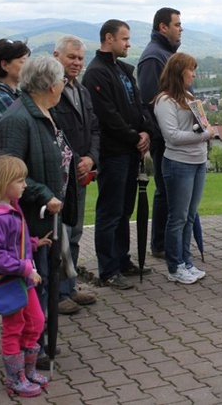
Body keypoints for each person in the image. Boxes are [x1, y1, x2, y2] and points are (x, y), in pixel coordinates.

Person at [0, 56, 79, 364]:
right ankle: (33, 347)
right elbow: (7, 169)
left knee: (45, 281)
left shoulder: (43, 112)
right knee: (36, 284)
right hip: (32, 218)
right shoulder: (18, 119)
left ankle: (37, 342)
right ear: (50, 85)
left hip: (47, 216)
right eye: (61, 82)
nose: (63, 87)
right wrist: (43, 195)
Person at [82, 19, 154, 290]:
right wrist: (134, 136)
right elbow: (107, 116)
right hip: (114, 153)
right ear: (109, 38)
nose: (128, 43)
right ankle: (108, 269)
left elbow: (138, 104)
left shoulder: (122, 70)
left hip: (130, 151)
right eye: (124, 39)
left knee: (125, 210)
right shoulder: (96, 73)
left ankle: (122, 260)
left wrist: (145, 130)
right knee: (110, 211)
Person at [0, 155, 51, 397]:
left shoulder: (11, 209)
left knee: (36, 321)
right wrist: (26, 268)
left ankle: (27, 369)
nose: (25, 185)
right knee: (14, 327)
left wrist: (33, 243)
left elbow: (13, 243)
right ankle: (14, 377)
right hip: (8, 282)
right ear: (2, 183)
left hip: (21, 279)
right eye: (19, 180)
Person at [153, 52, 214, 284]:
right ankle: (174, 265)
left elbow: (197, 127)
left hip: (198, 162)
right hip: (179, 163)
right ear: (180, 72)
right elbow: (172, 136)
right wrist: (204, 133)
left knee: (189, 216)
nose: (194, 74)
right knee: (177, 217)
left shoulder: (188, 96)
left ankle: (187, 261)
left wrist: (203, 129)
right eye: (191, 70)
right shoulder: (165, 101)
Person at [52, 35, 100, 312]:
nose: (77, 63)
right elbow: (56, 133)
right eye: (72, 57)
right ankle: (58, 295)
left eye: (80, 58)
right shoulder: (51, 90)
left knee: (75, 232)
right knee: (60, 235)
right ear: (56, 56)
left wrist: (91, 158)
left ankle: (70, 285)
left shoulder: (81, 91)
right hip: (61, 175)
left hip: (81, 173)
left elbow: (93, 128)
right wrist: (75, 162)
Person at [137, 8, 182, 258]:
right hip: (165, 138)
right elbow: (149, 102)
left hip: (175, 136)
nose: (180, 30)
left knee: (170, 191)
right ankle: (161, 244)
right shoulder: (154, 58)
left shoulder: (166, 53)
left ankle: (166, 242)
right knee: (166, 190)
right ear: (163, 27)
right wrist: (164, 132)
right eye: (177, 25)